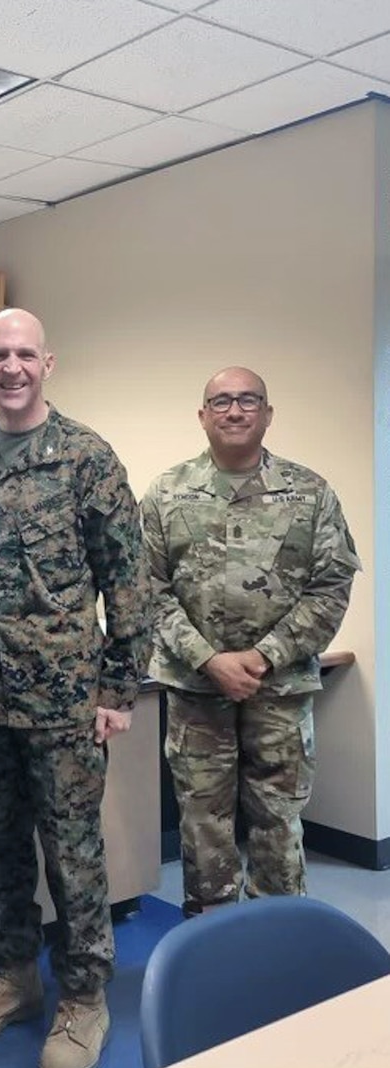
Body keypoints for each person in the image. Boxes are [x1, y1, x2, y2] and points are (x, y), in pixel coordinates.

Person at [0, 308, 150, 1068]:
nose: (11, 367)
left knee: (73, 853)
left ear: (47, 363)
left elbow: (128, 578)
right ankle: (15, 977)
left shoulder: (87, 457)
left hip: (64, 700)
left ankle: (85, 994)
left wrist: (119, 687)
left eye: (25, 354)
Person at [141, 367, 359, 916]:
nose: (234, 411)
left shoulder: (310, 494)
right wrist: (207, 658)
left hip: (279, 690)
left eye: (247, 400)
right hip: (196, 690)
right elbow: (146, 590)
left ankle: (281, 940)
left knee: (278, 821)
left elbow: (331, 587)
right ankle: (210, 944)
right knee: (202, 823)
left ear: (267, 412)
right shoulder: (167, 493)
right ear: (202, 415)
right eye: (220, 401)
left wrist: (265, 655)